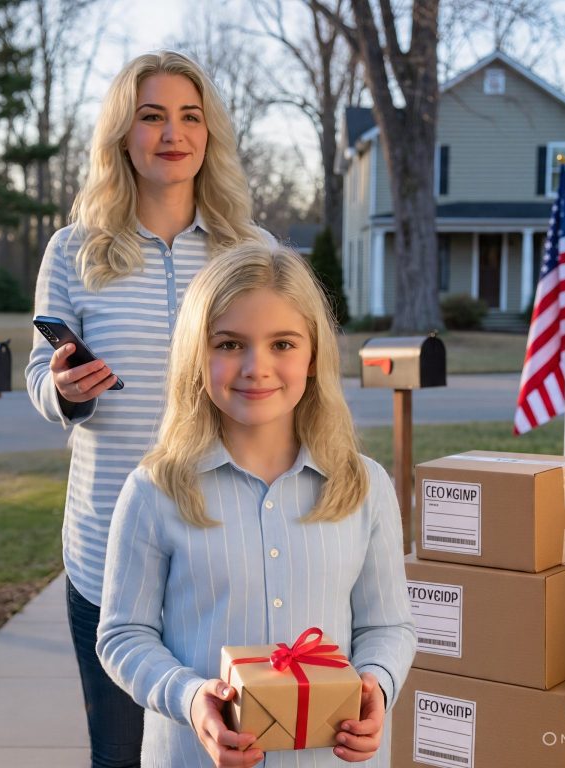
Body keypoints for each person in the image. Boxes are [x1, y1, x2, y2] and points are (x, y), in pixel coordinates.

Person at [25, 51, 267, 768]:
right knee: (121, 756)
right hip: (106, 550)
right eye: (152, 116)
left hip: (225, 545)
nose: (173, 133)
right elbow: (42, 376)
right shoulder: (74, 251)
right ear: (123, 135)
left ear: (210, 134)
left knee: (232, 748)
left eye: (190, 116)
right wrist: (63, 390)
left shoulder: (248, 251)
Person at [96, 242, 416, 768]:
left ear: (314, 356)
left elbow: (388, 626)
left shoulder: (364, 485)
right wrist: (189, 697)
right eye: (229, 344)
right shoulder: (154, 490)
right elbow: (124, 635)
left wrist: (376, 687)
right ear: (197, 356)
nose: (256, 367)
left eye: (283, 344)